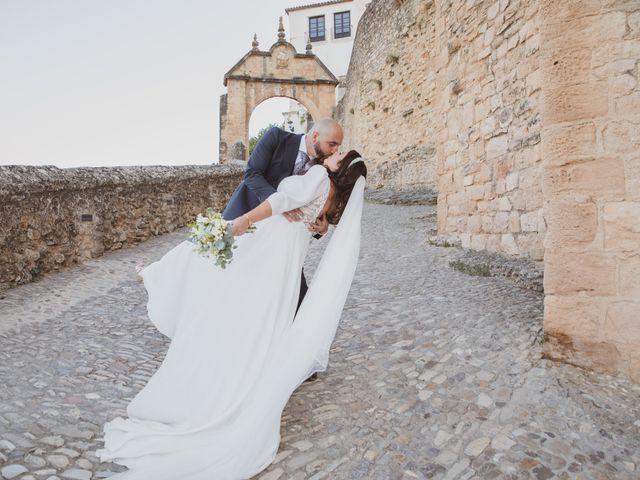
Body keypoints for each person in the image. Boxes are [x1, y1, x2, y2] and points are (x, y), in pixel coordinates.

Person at [97, 150, 367, 480]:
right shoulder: (332, 203)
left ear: (342, 170)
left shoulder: (319, 178)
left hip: (266, 249)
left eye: (340, 153)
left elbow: (280, 201)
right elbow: (313, 229)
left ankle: (158, 279)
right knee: (256, 322)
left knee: (212, 276)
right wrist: (318, 230)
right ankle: (242, 381)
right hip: (282, 269)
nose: (334, 153)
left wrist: (244, 220)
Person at [223, 118, 344, 311]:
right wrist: (279, 203)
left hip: (284, 242)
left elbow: (317, 207)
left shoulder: (323, 170)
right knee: (229, 280)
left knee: (297, 299)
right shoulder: (276, 137)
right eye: (332, 144)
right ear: (315, 136)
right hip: (247, 218)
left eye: (338, 146)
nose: (335, 150)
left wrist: (322, 227)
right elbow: (252, 174)